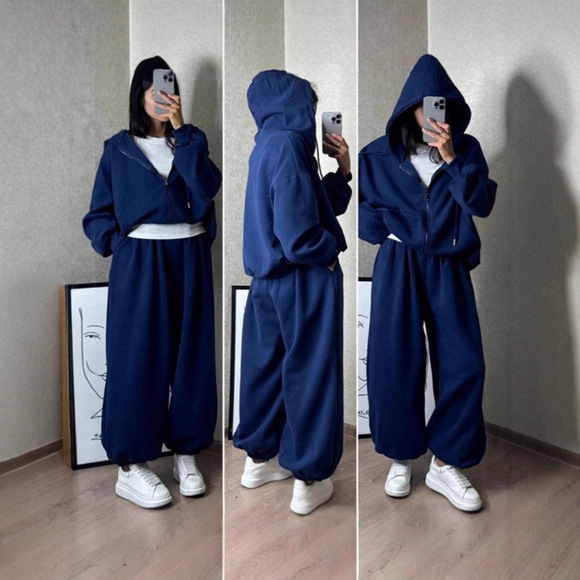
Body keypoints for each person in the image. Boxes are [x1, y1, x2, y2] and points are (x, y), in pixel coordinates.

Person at [359, 54, 497, 512]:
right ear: (409, 107)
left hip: (448, 261)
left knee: (463, 360)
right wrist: (395, 226)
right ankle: (401, 455)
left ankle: (445, 462)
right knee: (393, 358)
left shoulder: (467, 150)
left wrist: (452, 158)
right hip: (398, 261)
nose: (434, 113)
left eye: (441, 104)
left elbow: (481, 204)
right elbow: (365, 221)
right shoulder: (376, 155)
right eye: (425, 104)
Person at [83, 56, 221, 509]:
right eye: (155, 90)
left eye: (170, 88)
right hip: (140, 260)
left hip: (191, 255)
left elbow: (207, 187)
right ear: (139, 95)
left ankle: (186, 452)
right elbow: (98, 214)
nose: (164, 96)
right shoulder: (118, 149)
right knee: (136, 357)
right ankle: (131, 465)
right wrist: (120, 245)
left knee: (191, 358)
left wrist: (182, 131)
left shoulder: (192, 140)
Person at [233, 70, 352, 515]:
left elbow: (316, 205)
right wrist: (327, 253)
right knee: (311, 373)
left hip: (266, 282)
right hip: (302, 277)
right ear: (295, 103)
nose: (313, 114)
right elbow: (300, 234)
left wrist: (341, 170)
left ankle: (258, 461)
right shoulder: (288, 147)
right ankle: (308, 479)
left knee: (264, 370)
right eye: (309, 105)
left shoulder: (267, 145)